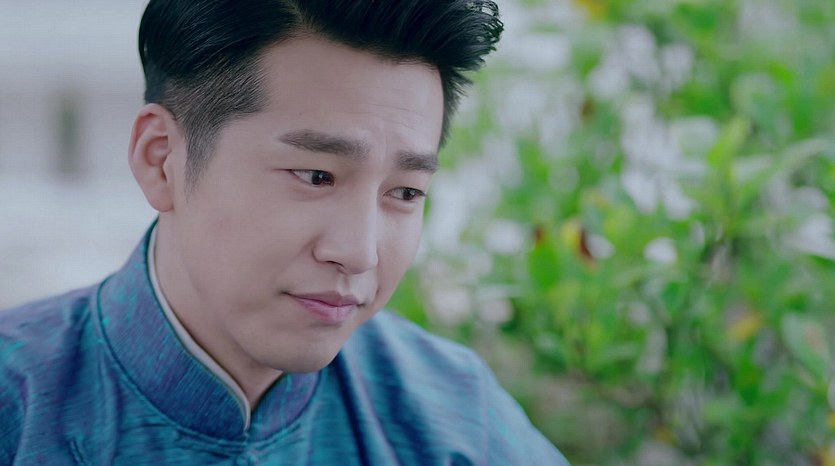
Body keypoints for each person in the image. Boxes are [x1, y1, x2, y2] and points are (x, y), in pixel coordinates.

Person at [0, 1, 569, 464]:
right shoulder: (17, 409)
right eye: (316, 176)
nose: (359, 253)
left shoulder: (452, 412)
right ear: (162, 158)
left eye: (405, 192)